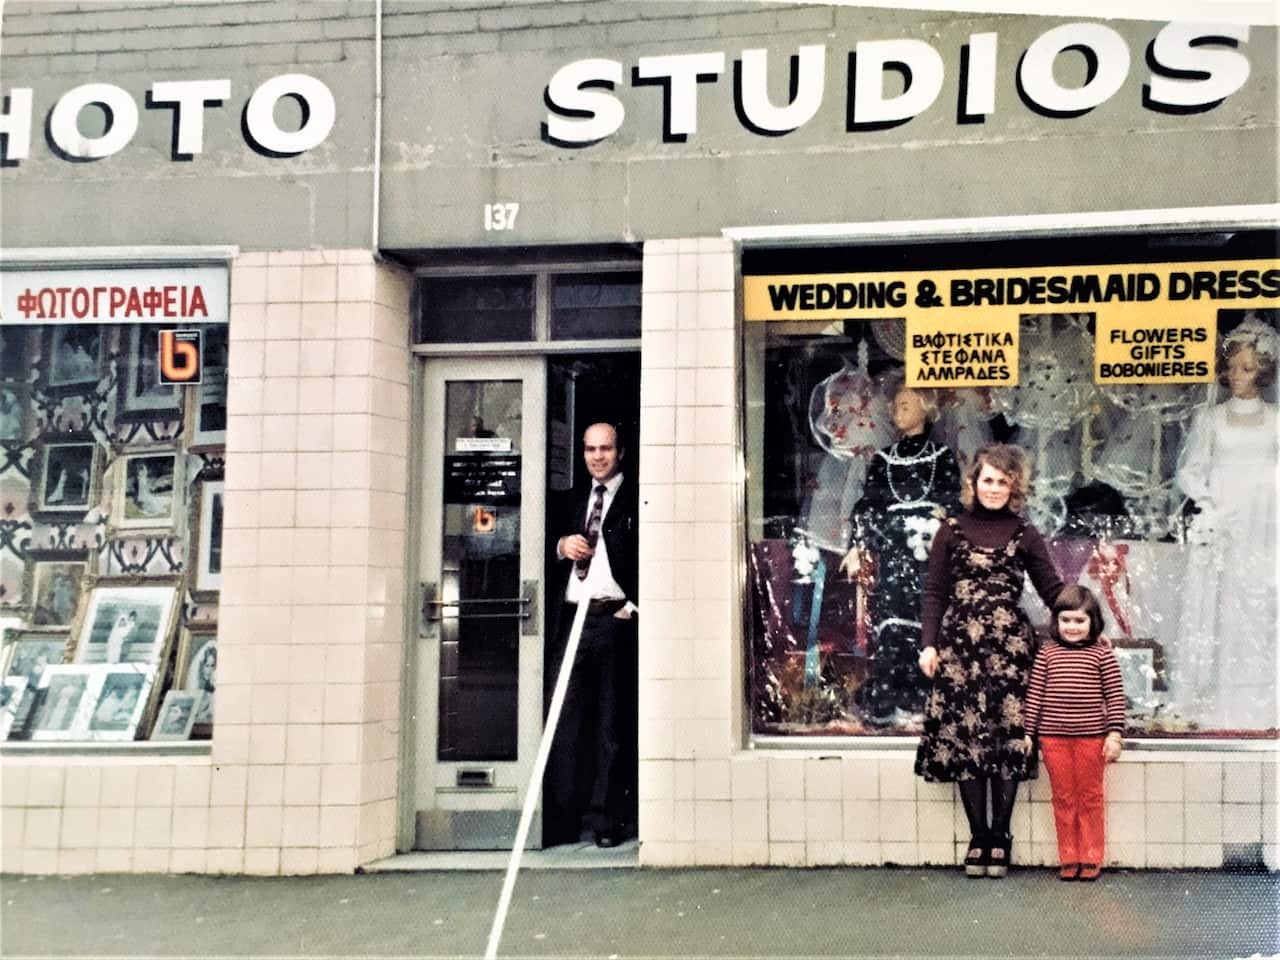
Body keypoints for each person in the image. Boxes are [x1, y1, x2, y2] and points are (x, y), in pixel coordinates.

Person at [915, 443, 1064, 878]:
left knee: (1006, 739)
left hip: (1009, 652)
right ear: (973, 483)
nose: (994, 488)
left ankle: (1000, 836)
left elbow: (1052, 590)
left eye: (1003, 481)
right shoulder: (950, 530)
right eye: (988, 480)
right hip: (959, 651)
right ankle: (978, 837)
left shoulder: (1025, 533)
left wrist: (1087, 620)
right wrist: (928, 645)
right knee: (967, 742)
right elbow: (935, 593)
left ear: (1014, 487)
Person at [1173, 314, 1277, 729]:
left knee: (1261, 604)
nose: (1237, 376)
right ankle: (1214, 695)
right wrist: (1208, 504)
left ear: (1263, 372)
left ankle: (1261, 698)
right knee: (1218, 603)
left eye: (1247, 368)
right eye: (1232, 367)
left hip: (1265, 523)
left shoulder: (1277, 419)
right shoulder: (1210, 418)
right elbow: (1190, 470)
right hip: (1224, 519)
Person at [839, 386, 960, 728]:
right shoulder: (883, 459)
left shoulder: (941, 456)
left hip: (928, 553)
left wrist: (943, 530)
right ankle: (892, 698)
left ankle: (925, 699)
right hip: (894, 553)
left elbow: (952, 503)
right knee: (892, 622)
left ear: (926, 407)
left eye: (906, 404)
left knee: (929, 619)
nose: (897, 410)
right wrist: (858, 545)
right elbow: (869, 505)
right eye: (895, 405)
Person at [545, 422, 638, 848]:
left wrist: (632, 607)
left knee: (610, 725)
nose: (597, 457)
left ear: (620, 452)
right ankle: (565, 818)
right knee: (566, 719)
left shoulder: (637, 497)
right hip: (572, 619)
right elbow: (544, 543)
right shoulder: (570, 499)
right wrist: (562, 545)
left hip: (613, 619)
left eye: (605, 449)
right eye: (590, 449)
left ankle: (605, 821)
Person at [1022, 584, 1125, 881]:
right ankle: (1069, 856)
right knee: (1064, 798)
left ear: (1093, 622)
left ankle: (1091, 856)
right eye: (1066, 620)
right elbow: (1035, 695)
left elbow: (1115, 698)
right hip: (1053, 740)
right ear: (1056, 621)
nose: (1072, 627)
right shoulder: (1047, 654)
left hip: (1091, 739)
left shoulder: (1102, 655)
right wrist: (1029, 732)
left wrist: (1114, 735)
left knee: (1090, 798)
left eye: (1080, 620)